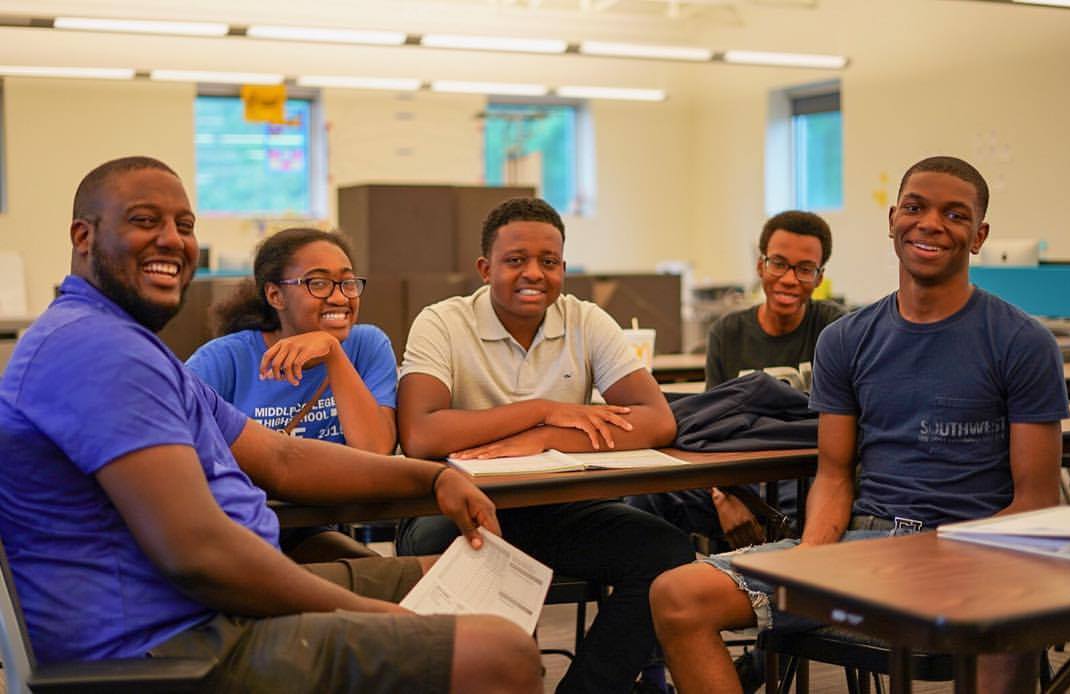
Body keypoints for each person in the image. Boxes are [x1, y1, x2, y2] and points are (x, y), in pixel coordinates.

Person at [0, 156, 542, 693]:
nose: (171, 240)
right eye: (145, 221)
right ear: (83, 236)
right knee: (499, 654)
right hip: (168, 643)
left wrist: (431, 478)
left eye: (184, 226)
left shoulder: (130, 346)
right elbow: (198, 553)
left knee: (476, 581)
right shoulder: (96, 349)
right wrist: (369, 613)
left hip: (212, 608)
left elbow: (282, 460)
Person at [649, 155, 1070, 694]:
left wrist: (942, 555)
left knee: (1015, 613)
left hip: (974, 554)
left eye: (955, 214)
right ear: (893, 218)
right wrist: (812, 558)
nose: (931, 223)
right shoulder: (846, 340)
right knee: (676, 595)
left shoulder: (1021, 341)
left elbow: (1034, 502)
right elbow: (834, 474)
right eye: (915, 208)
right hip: (863, 547)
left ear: (979, 235)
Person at [395, 197, 695, 693]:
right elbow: (422, 435)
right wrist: (540, 409)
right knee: (462, 557)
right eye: (515, 261)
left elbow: (656, 421)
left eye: (549, 262)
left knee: (665, 551)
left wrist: (540, 438)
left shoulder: (586, 320)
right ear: (485, 268)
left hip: (554, 508)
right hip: (454, 510)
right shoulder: (442, 322)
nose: (533, 274)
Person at [627, 210, 844, 549]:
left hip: (803, 476)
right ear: (761, 267)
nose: (789, 279)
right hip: (733, 478)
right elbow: (710, 428)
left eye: (804, 269)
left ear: (819, 277)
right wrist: (724, 497)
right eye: (779, 264)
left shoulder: (837, 330)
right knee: (646, 501)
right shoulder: (729, 332)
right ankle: (666, 588)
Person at [188, 227, 397, 562]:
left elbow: (375, 451)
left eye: (347, 282)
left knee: (378, 573)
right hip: (240, 530)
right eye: (318, 283)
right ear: (275, 296)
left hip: (315, 527)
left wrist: (333, 353)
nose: (340, 297)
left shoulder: (367, 346)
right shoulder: (224, 360)